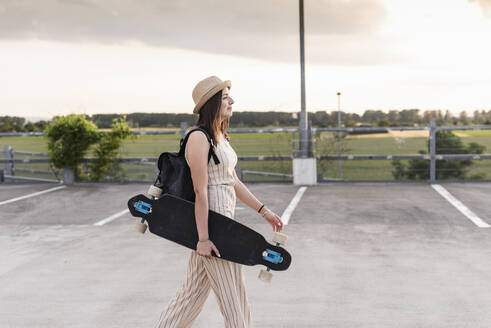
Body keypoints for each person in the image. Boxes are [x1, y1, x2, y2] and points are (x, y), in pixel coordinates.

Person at [154, 76, 284, 328]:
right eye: (225, 98)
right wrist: (203, 239)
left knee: (190, 297)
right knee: (233, 297)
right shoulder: (198, 138)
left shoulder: (220, 136)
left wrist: (263, 211)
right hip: (213, 227)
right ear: (212, 103)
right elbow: (200, 191)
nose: (232, 101)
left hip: (225, 222)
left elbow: (232, 180)